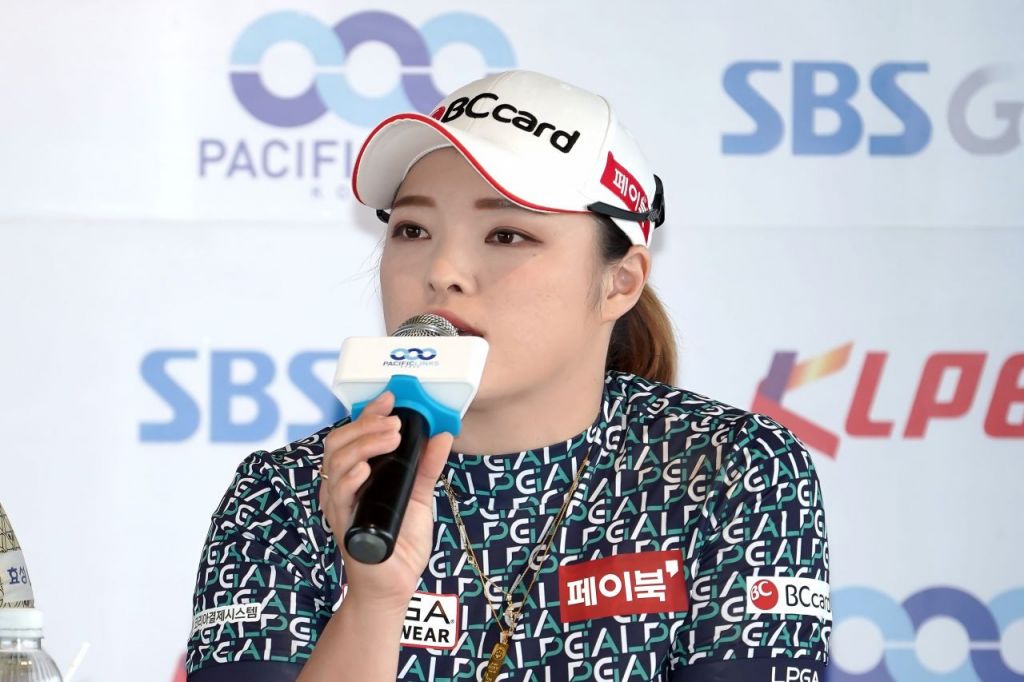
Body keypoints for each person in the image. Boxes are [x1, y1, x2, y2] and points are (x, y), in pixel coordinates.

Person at [185, 70, 831, 681]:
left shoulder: (727, 468)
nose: (442, 272)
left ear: (621, 281)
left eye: (506, 235)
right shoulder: (288, 493)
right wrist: (374, 601)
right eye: (413, 228)